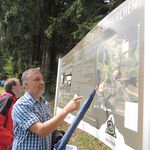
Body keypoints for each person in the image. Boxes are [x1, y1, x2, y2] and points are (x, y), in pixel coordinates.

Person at [12, 68, 83, 150]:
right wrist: (66, 110)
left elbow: (50, 128)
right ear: (26, 85)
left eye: (42, 79)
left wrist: (58, 138)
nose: (42, 82)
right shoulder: (21, 105)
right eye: (37, 79)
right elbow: (42, 130)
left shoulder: (45, 104)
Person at [0, 78, 22, 150]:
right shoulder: (7, 100)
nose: (22, 86)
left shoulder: (15, 101)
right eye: (19, 84)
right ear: (13, 87)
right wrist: (12, 140)